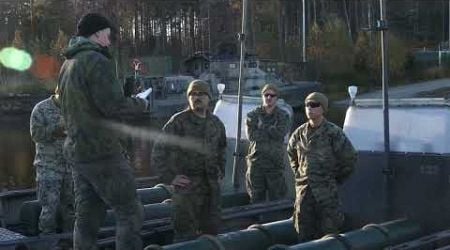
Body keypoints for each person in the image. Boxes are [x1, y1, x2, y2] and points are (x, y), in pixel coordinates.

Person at [57, 13, 149, 250]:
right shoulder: (96, 61)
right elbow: (114, 107)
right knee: (130, 211)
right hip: (102, 153)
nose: (109, 42)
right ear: (97, 33)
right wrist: (141, 103)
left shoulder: (67, 64)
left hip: (79, 153)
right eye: (108, 36)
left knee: (87, 217)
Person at [151, 80, 227, 242]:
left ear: (209, 98)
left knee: (211, 233)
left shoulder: (216, 123)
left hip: (211, 188)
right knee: (185, 234)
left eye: (201, 94)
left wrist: (221, 170)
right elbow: (158, 152)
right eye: (192, 94)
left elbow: (222, 148)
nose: (196, 97)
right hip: (187, 189)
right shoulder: (178, 122)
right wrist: (170, 177)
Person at [287, 92, 357, 242]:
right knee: (303, 234)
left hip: (326, 195)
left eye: (314, 105)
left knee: (329, 235)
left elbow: (349, 158)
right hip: (304, 195)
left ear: (323, 108)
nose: (310, 108)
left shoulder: (333, 133)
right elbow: (291, 155)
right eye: (307, 105)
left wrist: (334, 178)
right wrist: (300, 176)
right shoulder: (299, 133)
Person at [30, 92, 74, 235]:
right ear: (57, 92)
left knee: (71, 209)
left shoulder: (74, 108)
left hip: (70, 168)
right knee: (50, 209)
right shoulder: (40, 109)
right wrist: (55, 131)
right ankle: (47, 241)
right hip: (48, 168)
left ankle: (71, 241)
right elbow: (36, 135)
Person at [245, 84, 290, 203]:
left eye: (272, 95)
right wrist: (271, 130)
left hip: (275, 164)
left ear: (277, 98)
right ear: (262, 96)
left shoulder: (283, 115)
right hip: (256, 164)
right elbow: (252, 136)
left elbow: (280, 134)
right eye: (266, 95)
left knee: (277, 198)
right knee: (255, 198)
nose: (269, 98)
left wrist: (262, 127)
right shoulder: (252, 115)